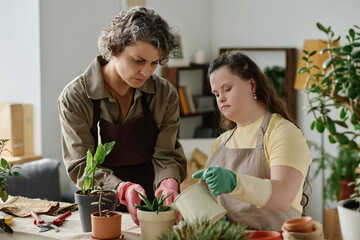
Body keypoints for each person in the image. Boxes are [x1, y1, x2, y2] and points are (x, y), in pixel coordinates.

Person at [58, 7, 186, 225]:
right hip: (99, 204)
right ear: (114, 49)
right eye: (138, 61)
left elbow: (167, 155)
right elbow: (81, 165)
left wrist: (169, 181)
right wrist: (122, 188)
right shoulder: (75, 97)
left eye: (154, 63)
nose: (146, 72)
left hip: (151, 200)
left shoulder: (165, 95)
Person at [192, 51, 312, 231]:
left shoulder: (283, 132)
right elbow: (211, 201)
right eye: (216, 94)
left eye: (227, 89)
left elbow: (282, 197)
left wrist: (234, 182)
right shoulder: (221, 142)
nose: (221, 98)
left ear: (252, 85)